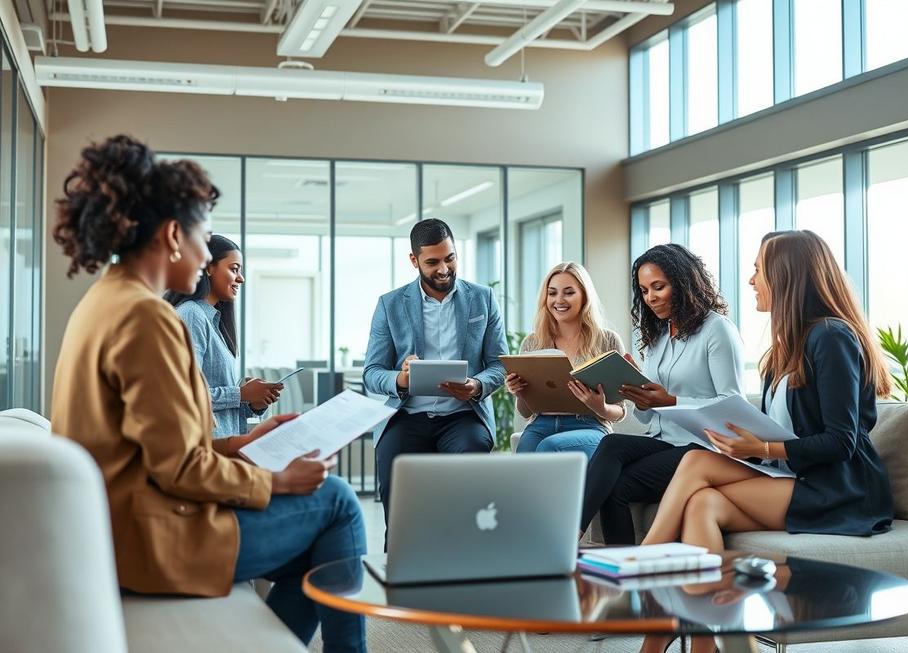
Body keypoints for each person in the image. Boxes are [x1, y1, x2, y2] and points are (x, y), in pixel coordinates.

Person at [49, 135, 367, 653]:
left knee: (323, 534)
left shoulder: (104, 301)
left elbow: (157, 448)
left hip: (119, 527)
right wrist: (278, 481)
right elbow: (181, 470)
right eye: (203, 236)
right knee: (337, 503)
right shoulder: (147, 317)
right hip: (150, 541)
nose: (205, 255)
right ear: (174, 234)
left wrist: (245, 443)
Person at [638, 230, 893, 653]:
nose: (752, 279)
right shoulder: (784, 347)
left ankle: (644, 565)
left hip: (840, 486)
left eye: (758, 269)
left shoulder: (831, 337)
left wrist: (762, 448)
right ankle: (705, 646)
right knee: (701, 499)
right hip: (794, 473)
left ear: (786, 274)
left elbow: (841, 442)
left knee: (697, 466)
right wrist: (747, 439)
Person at [579, 244, 744, 545]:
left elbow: (732, 408)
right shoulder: (657, 337)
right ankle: (624, 572)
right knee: (612, 468)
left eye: (659, 287)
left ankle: (568, 534)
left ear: (682, 283)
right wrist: (635, 391)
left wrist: (670, 400)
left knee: (613, 449)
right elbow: (648, 415)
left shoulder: (717, 330)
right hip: (663, 443)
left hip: (703, 449)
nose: (651, 297)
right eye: (644, 290)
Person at [363, 218, 507, 534]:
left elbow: (500, 364)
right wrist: (400, 379)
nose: (443, 269)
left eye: (450, 258)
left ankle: (465, 555)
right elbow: (371, 374)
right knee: (399, 493)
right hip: (406, 417)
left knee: (470, 473)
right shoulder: (390, 305)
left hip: (463, 418)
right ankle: (400, 564)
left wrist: (477, 385)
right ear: (414, 260)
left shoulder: (482, 298)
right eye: (432, 262)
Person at [507, 262, 627, 459]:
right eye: (552, 293)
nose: (559, 300)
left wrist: (600, 407)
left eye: (569, 292)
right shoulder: (533, 342)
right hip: (541, 424)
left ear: (584, 296)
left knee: (550, 446)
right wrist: (520, 393)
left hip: (591, 426)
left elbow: (620, 411)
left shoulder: (607, 340)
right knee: (524, 459)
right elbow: (526, 413)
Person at [165, 234, 283, 437]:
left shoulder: (213, 321)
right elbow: (183, 395)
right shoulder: (192, 315)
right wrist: (241, 394)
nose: (241, 278)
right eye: (234, 269)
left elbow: (220, 410)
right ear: (209, 267)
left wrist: (253, 403)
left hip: (222, 447)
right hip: (205, 450)